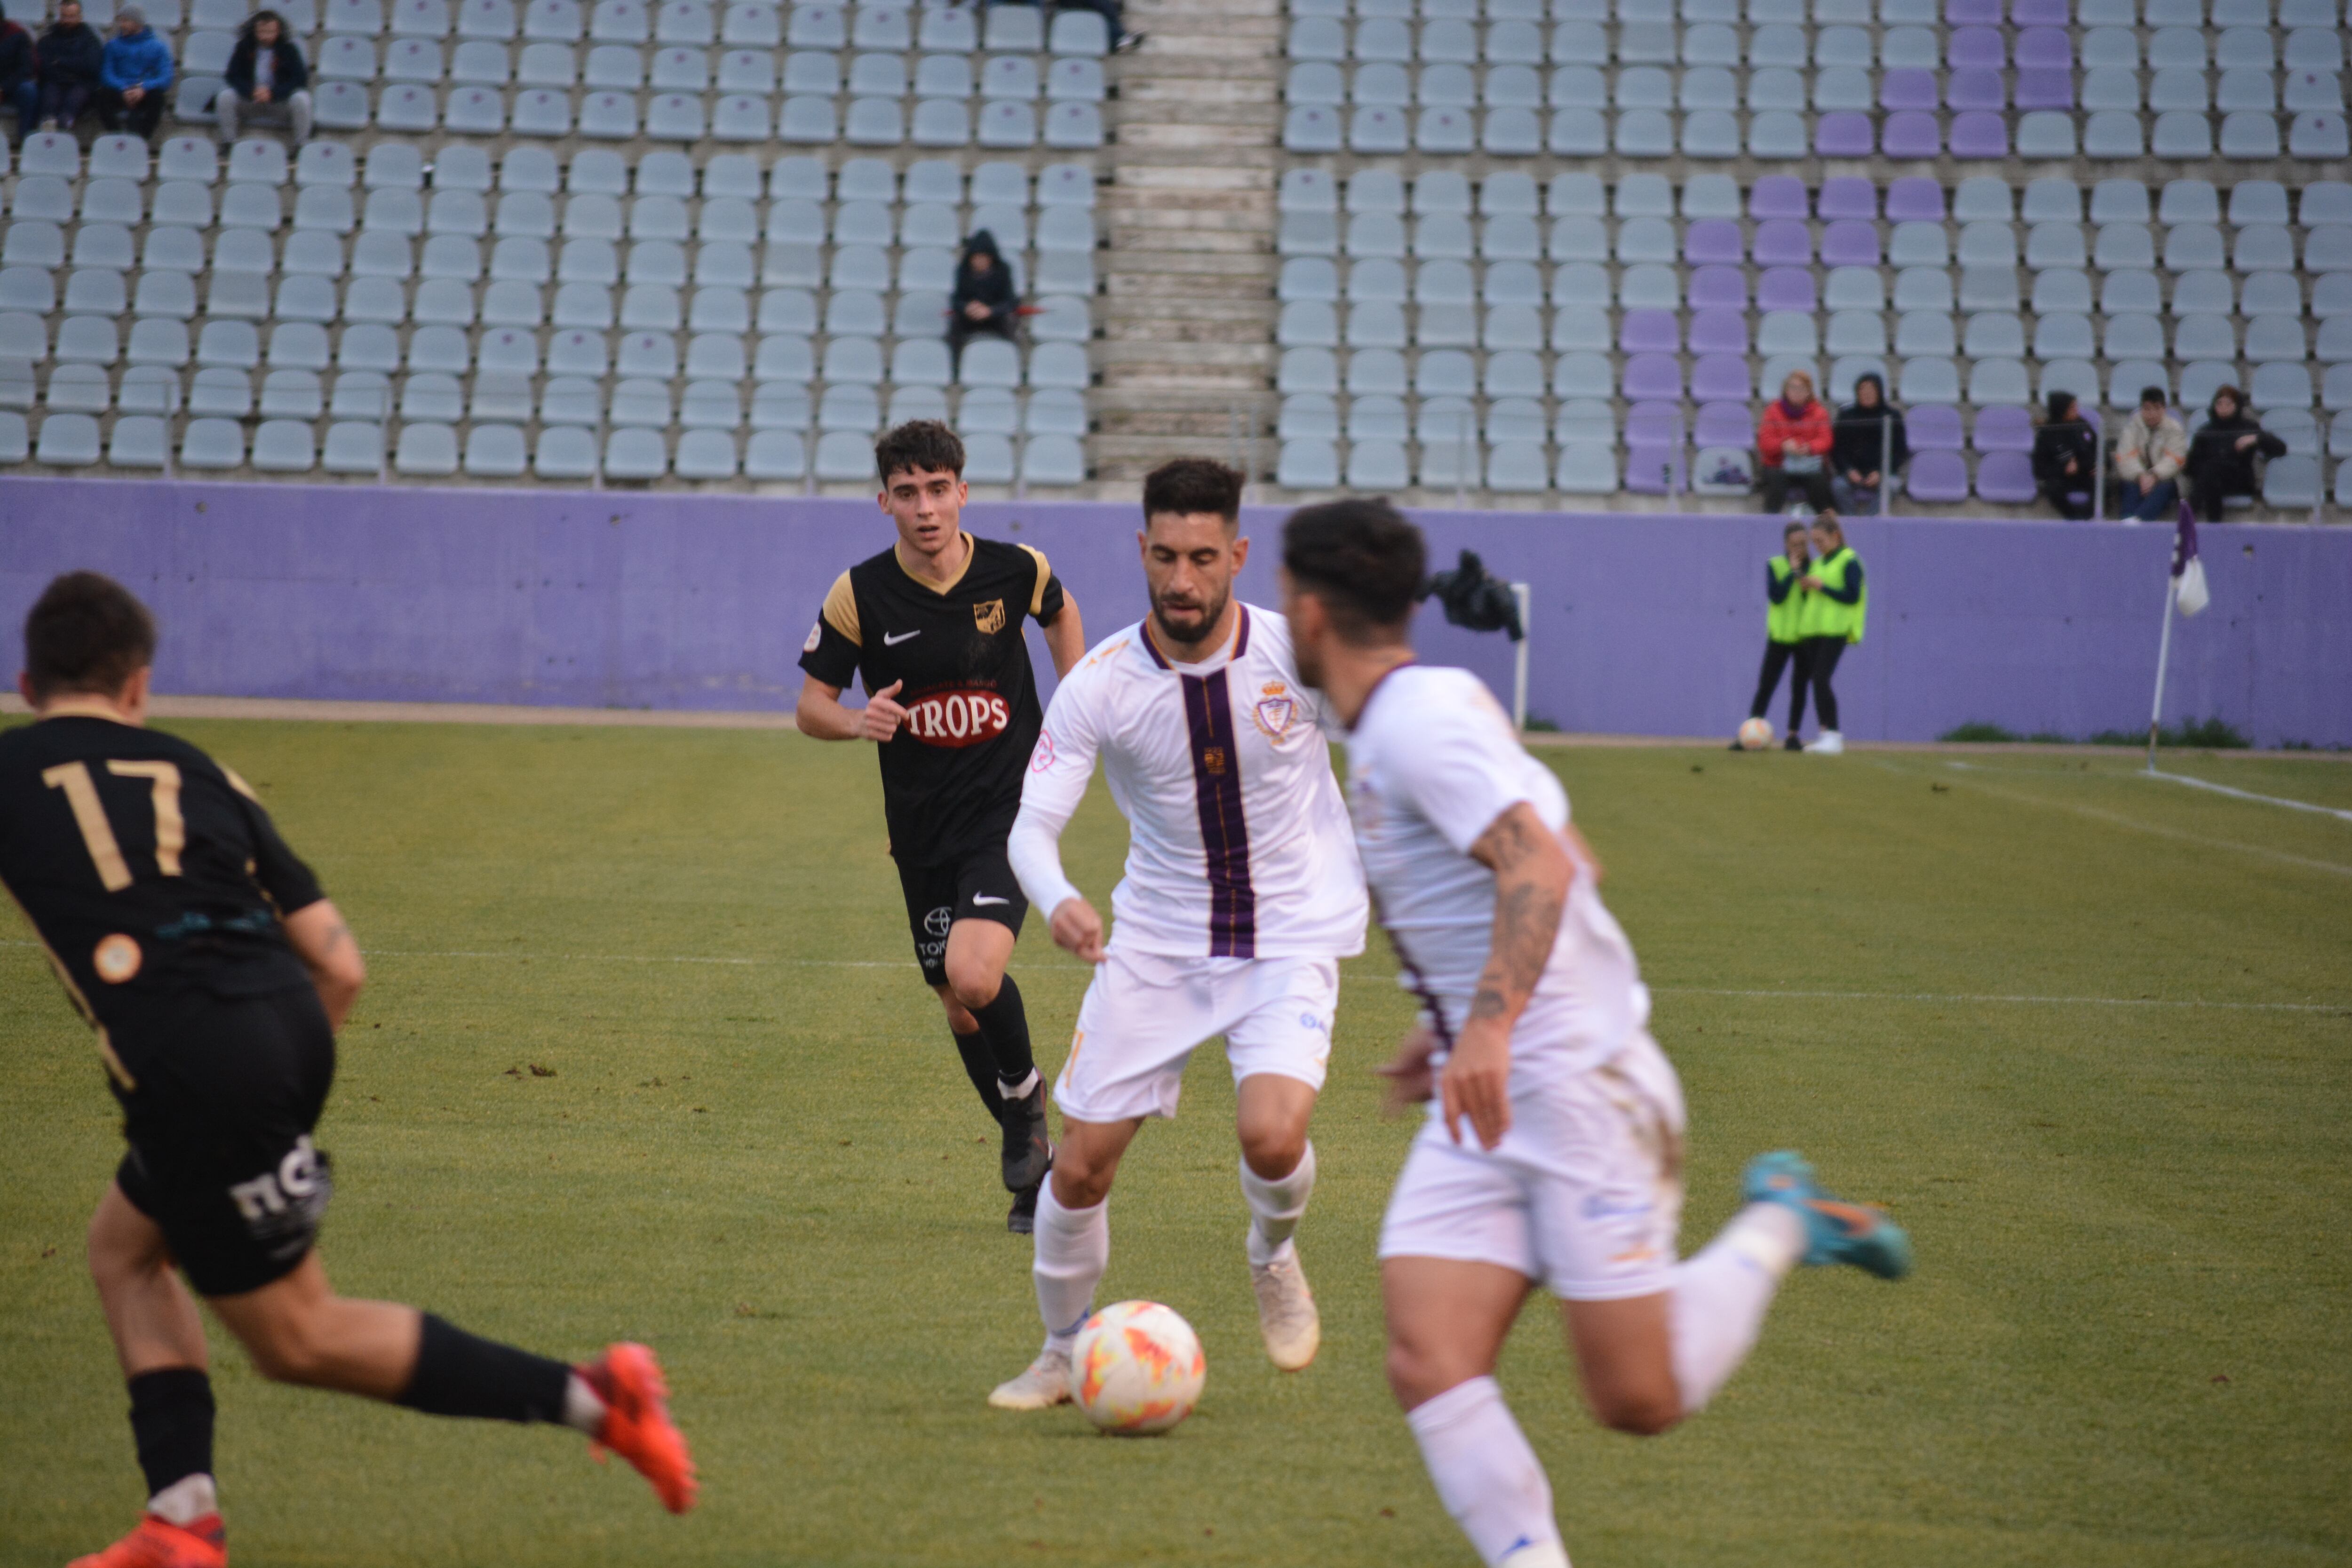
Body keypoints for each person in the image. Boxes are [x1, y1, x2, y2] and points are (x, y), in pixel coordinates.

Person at [1, 574, 696, 1568]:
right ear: (138, 688)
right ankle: (181, 1516)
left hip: (192, 1067)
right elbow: (340, 962)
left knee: (299, 1338)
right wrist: (272, 1088)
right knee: (123, 1248)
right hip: (286, 1026)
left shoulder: (12, 769)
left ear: (27, 681)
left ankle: (599, 1397)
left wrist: (230, 1088)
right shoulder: (202, 770)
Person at [1277, 499, 1910, 1568]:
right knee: (1429, 1354)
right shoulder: (1410, 712)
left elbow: (1546, 867)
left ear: (1305, 614)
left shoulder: (1416, 723)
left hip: (1575, 1085)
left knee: (1638, 1399)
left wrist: (1483, 1025)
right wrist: (1453, 1031)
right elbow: (1571, 852)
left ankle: (1784, 1222)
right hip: (1489, 1094)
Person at [988, 458, 1368, 1410]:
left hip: (1286, 934)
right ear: (1143, 551)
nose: (1183, 579)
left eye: (1204, 557)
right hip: (1154, 941)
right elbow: (1030, 823)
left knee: (1273, 1138)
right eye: (1165, 556)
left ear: (1237, 553)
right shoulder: (1102, 683)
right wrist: (1059, 895)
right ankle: (1061, 1349)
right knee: (1077, 1166)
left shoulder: (1300, 652)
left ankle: (1272, 1253)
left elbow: (1394, 740)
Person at [795, 422, 1088, 1234]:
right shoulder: (859, 593)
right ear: (884, 500)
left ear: (963, 491)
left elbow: (1061, 613)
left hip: (1011, 811)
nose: (925, 509)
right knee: (957, 1007)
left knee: (976, 976)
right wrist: (857, 722)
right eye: (907, 493)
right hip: (920, 827)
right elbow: (810, 707)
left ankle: (1026, 1108)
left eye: (939, 489)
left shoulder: (1015, 568)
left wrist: (1076, 697)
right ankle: (1034, 1170)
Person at [1734, 520, 1812, 752]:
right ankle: (1749, 732)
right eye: (1795, 544)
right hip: (1779, 637)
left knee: (1800, 687)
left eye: (1803, 544)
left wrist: (1806, 580)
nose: (1799, 548)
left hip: (1804, 637)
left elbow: (1813, 602)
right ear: (1786, 545)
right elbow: (1776, 596)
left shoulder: (1815, 569)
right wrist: (1792, 573)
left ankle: (1793, 736)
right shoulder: (1776, 565)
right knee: (1766, 685)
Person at [1794, 512, 1865, 756]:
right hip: (1816, 629)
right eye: (1814, 542)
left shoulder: (1849, 560)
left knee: (1822, 678)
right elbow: (1813, 597)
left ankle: (1834, 735)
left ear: (1835, 536)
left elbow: (1852, 596)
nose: (1817, 546)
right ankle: (1825, 734)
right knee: (1816, 680)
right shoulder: (1819, 563)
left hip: (1836, 629)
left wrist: (1821, 586)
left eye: (1821, 541)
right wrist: (1805, 585)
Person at [2183, 385, 2286, 523]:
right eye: (2220, 404)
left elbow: (2280, 448)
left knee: (2210, 473)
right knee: (2210, 473)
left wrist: (2255, 439)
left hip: (2239, 479)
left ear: (2237, 406)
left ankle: (2188, 518)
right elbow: (2191, 467)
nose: (2224, 408)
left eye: (2229, 404)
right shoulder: (2206, 431)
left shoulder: (2248, 427)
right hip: (2211, 481)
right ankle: (2211, 523)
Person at [215, 9, 311, 146]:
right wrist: (251, 91)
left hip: (279, 102)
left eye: (270, 32)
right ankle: (229, 142)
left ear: (278, 31)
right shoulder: (244, 47)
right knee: (225, 96)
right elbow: (232, 76)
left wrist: (273, 93)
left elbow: (300, 79)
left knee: (302, 99)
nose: (266, 36)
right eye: (262, 32)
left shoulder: (289, 50)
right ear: (255, 30)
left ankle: (301, 145)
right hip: (251, 101)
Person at [1755, 370, 1834, 514]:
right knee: (1775, 480)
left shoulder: (1819, 412)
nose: (1797, 392)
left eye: (1802, 389)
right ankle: (1770, 521)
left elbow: (1826, 440)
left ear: (1809, 392)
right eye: (1793, 388)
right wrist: (1783, 445)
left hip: (1810, 466)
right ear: (1786, 390)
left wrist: (1810, 448)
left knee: (1820, 483)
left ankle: (1824, 523)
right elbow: (1765, 443)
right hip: (1779, 465)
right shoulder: (1773, 411)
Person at [1829, 372, 1907, 517]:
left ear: (1879, 392)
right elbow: (1837, 450)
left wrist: (1881, 471)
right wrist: (1848, 470)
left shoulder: (1892, 416)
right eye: (1863, 390)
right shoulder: (1846, 416)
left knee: (1893, 486)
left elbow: (1900, 451)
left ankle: (1870, 519)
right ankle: (1851, 518)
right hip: (1852, 474)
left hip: (1881, 473)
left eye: (1871, 390)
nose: (1867, 394)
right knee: (1838, 486)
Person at [2110, 387, 2186, 524]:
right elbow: (2125, 457)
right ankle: (2127, 521)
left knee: (2165, 487)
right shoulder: (2132, 428)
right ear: (2141, 409)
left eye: (2157, 409)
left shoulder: (2175, 429)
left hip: (2164, 480)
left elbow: (2174, 460)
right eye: (2147, 409)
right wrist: (2141, 476)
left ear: (2164, 409)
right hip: (2137, 478)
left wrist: (2154, 475)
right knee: (2130, 486)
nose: (2152, 414)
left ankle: (2138, 522)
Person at [95, 5, 172, 141]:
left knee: (157, 98)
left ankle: (142, 140)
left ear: (137, 23)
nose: (122, 25)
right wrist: (124, 89)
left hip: (144, 92)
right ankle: (116, 137)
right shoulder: (113, 46)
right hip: (121, 91)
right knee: (102, 95)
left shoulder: (158, 47)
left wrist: (144, 88)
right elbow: (106, 75)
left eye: (126, 21)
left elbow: (166, 77)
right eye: (121, 21)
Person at [948, 230, 1020, 366]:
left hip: (995, 317)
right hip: (970, 317)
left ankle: (1012, 363)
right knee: (955, 324)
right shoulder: (963, 271)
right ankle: (955, 367)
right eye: (976, 257)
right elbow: (956, 299)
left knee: (1009, 322)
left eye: (983, 257)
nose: (980, 262)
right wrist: (967, 308)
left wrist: (991, 311)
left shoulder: (1003, 271)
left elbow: (1010, 301)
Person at [39, 0, 105, 134]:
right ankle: (47, 131)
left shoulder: (90, 39)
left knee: (73, 101)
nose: (67, 20)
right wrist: (72, 66)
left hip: (82, 84)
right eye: (64, 16)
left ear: (80, 17)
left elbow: (92, 66)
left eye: (72, 16)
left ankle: (64, 129)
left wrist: (60, 62)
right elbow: (44, 66)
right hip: (56, 82)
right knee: (50, 102)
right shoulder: (49, 37)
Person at [2031, 391, 2099, 520]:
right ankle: (2073, 519)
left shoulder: (2082, 425)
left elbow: (2098, 448)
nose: (2077, 411)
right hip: (2062, 478)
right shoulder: (2047, 434)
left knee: (2103, 483)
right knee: (2053, 488)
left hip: (2085, 473)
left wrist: (2100, 465)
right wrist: (2063, 469)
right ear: (2061, 410)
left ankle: (2089, 517)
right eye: (2072, 408)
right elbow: (2039, 469)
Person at [0, 11, 38, 144]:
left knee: (29, 90)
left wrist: (4, 88)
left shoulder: (17, 35)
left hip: (11, 86)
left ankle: (26, 140)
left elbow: (26, 69)